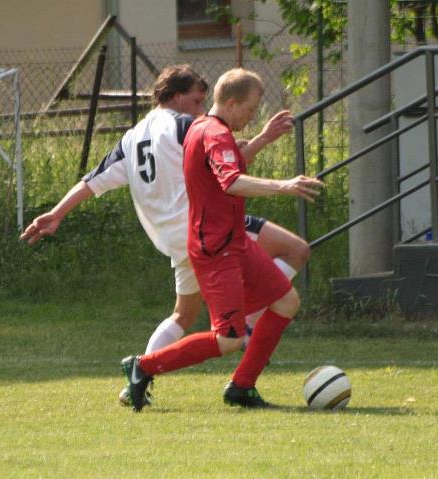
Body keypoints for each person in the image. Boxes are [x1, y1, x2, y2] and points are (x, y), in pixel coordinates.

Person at [20, 65, 308, 404]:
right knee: (294, 251)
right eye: (197, 101)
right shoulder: (188, 126)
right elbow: (226, 173)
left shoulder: (132, 138)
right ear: (176, 97)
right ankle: (240, 328)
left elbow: (92, 182)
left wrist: (57, 213)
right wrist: (265, 150)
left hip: (176, 240)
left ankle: (144, 383)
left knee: (186, 315)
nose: (201, 109)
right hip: (208, 230)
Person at [121, 68, 324, 412]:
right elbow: (230, 181)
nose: (252, 115)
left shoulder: (207, 129)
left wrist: (260, 139)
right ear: (230, 103)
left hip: (235, 243)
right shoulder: (213, 132)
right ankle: (143, 366)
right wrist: (283, 185)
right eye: (250, 108)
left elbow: (222, 172)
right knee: (229, 339)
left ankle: (242, 387)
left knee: (287, 302)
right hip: (215, 250)